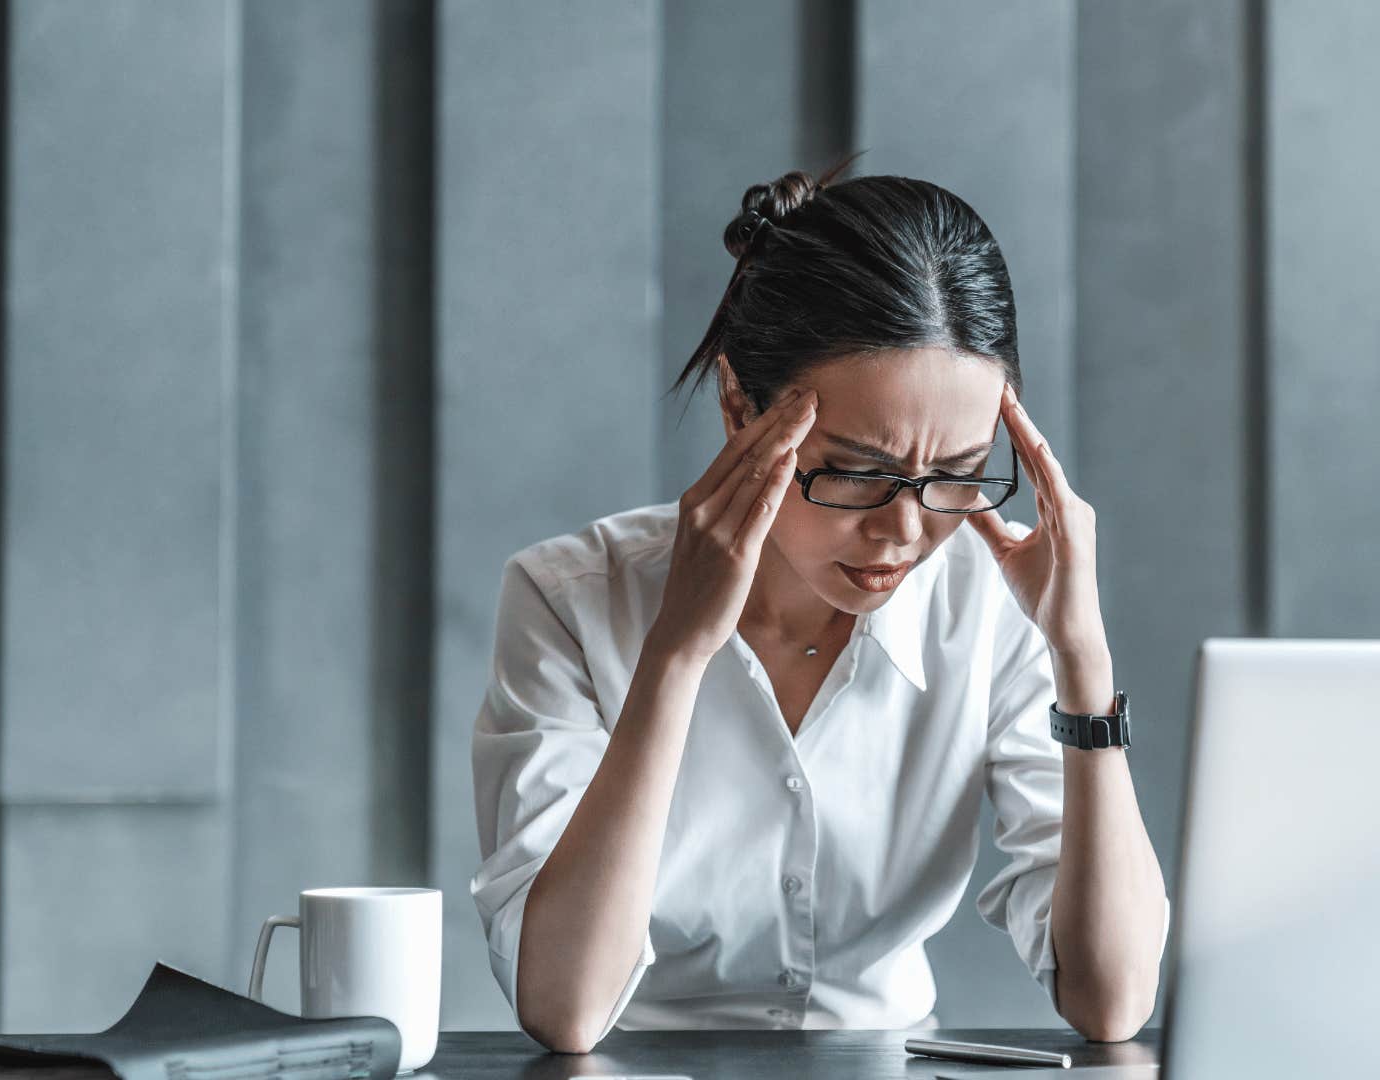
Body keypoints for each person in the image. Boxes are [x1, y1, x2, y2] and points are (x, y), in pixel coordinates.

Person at [469, 158, 1168, 1054]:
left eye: (955, 476)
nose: (903, 533)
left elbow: (1112, 1002)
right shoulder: (566, 599)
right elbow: (564, 1011)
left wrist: (1083, 660)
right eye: (857, 472)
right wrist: (677, 654)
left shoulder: (992, 613)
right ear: (738, 406)